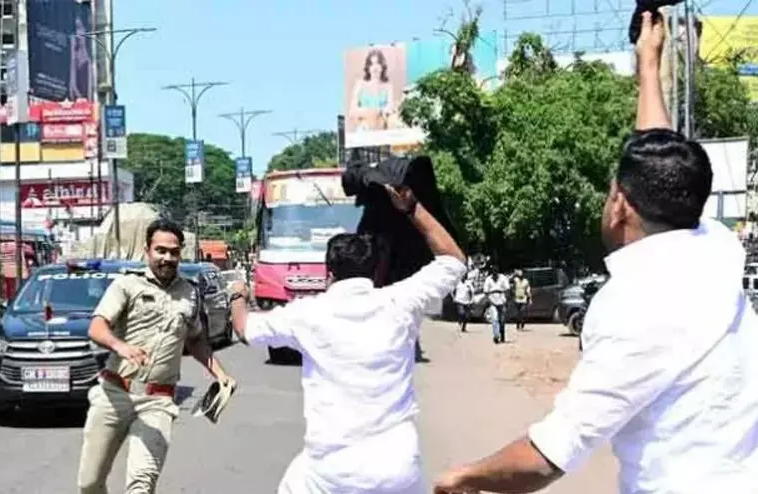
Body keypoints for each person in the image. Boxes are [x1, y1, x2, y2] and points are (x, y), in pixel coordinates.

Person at [434, 12, 758, 493]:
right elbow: (659, 156)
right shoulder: (714, 246)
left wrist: (461, 477)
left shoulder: (634, 306)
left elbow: (549, 456)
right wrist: (648, 63)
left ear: (622, 206)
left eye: (611, 192)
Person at [229, 185, 466, 493]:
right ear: (376, 271)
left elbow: (244, 328)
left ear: (329, 274)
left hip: (332, 470)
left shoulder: (308, 314)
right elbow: (454, 261)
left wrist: (237, 293)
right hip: (398, 466)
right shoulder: (401, 301)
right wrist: (411, 207)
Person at [77, 218, 234, 494]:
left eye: (174, 252)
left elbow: (196, 339)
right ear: (147, 251)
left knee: (141, 484)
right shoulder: (126, 285)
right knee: (89, 483)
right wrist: (120, 347)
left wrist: (220, 374)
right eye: (160, 250)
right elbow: (97, 326)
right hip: (114, 392)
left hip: (157, 401)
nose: (167, 258)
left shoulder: (190, 293)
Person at [483, 264, 509, 344]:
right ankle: (496, 336)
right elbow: (486, 292)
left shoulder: (503, 278)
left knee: (502, 320)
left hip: (502, 300)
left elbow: (507, 290)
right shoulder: (488, 279)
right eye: (493, 272)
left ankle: (502, 334)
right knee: (494, 319)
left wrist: (506, 300)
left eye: (496, 271)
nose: (494, 273)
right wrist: (489, 301)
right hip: (492, 301)